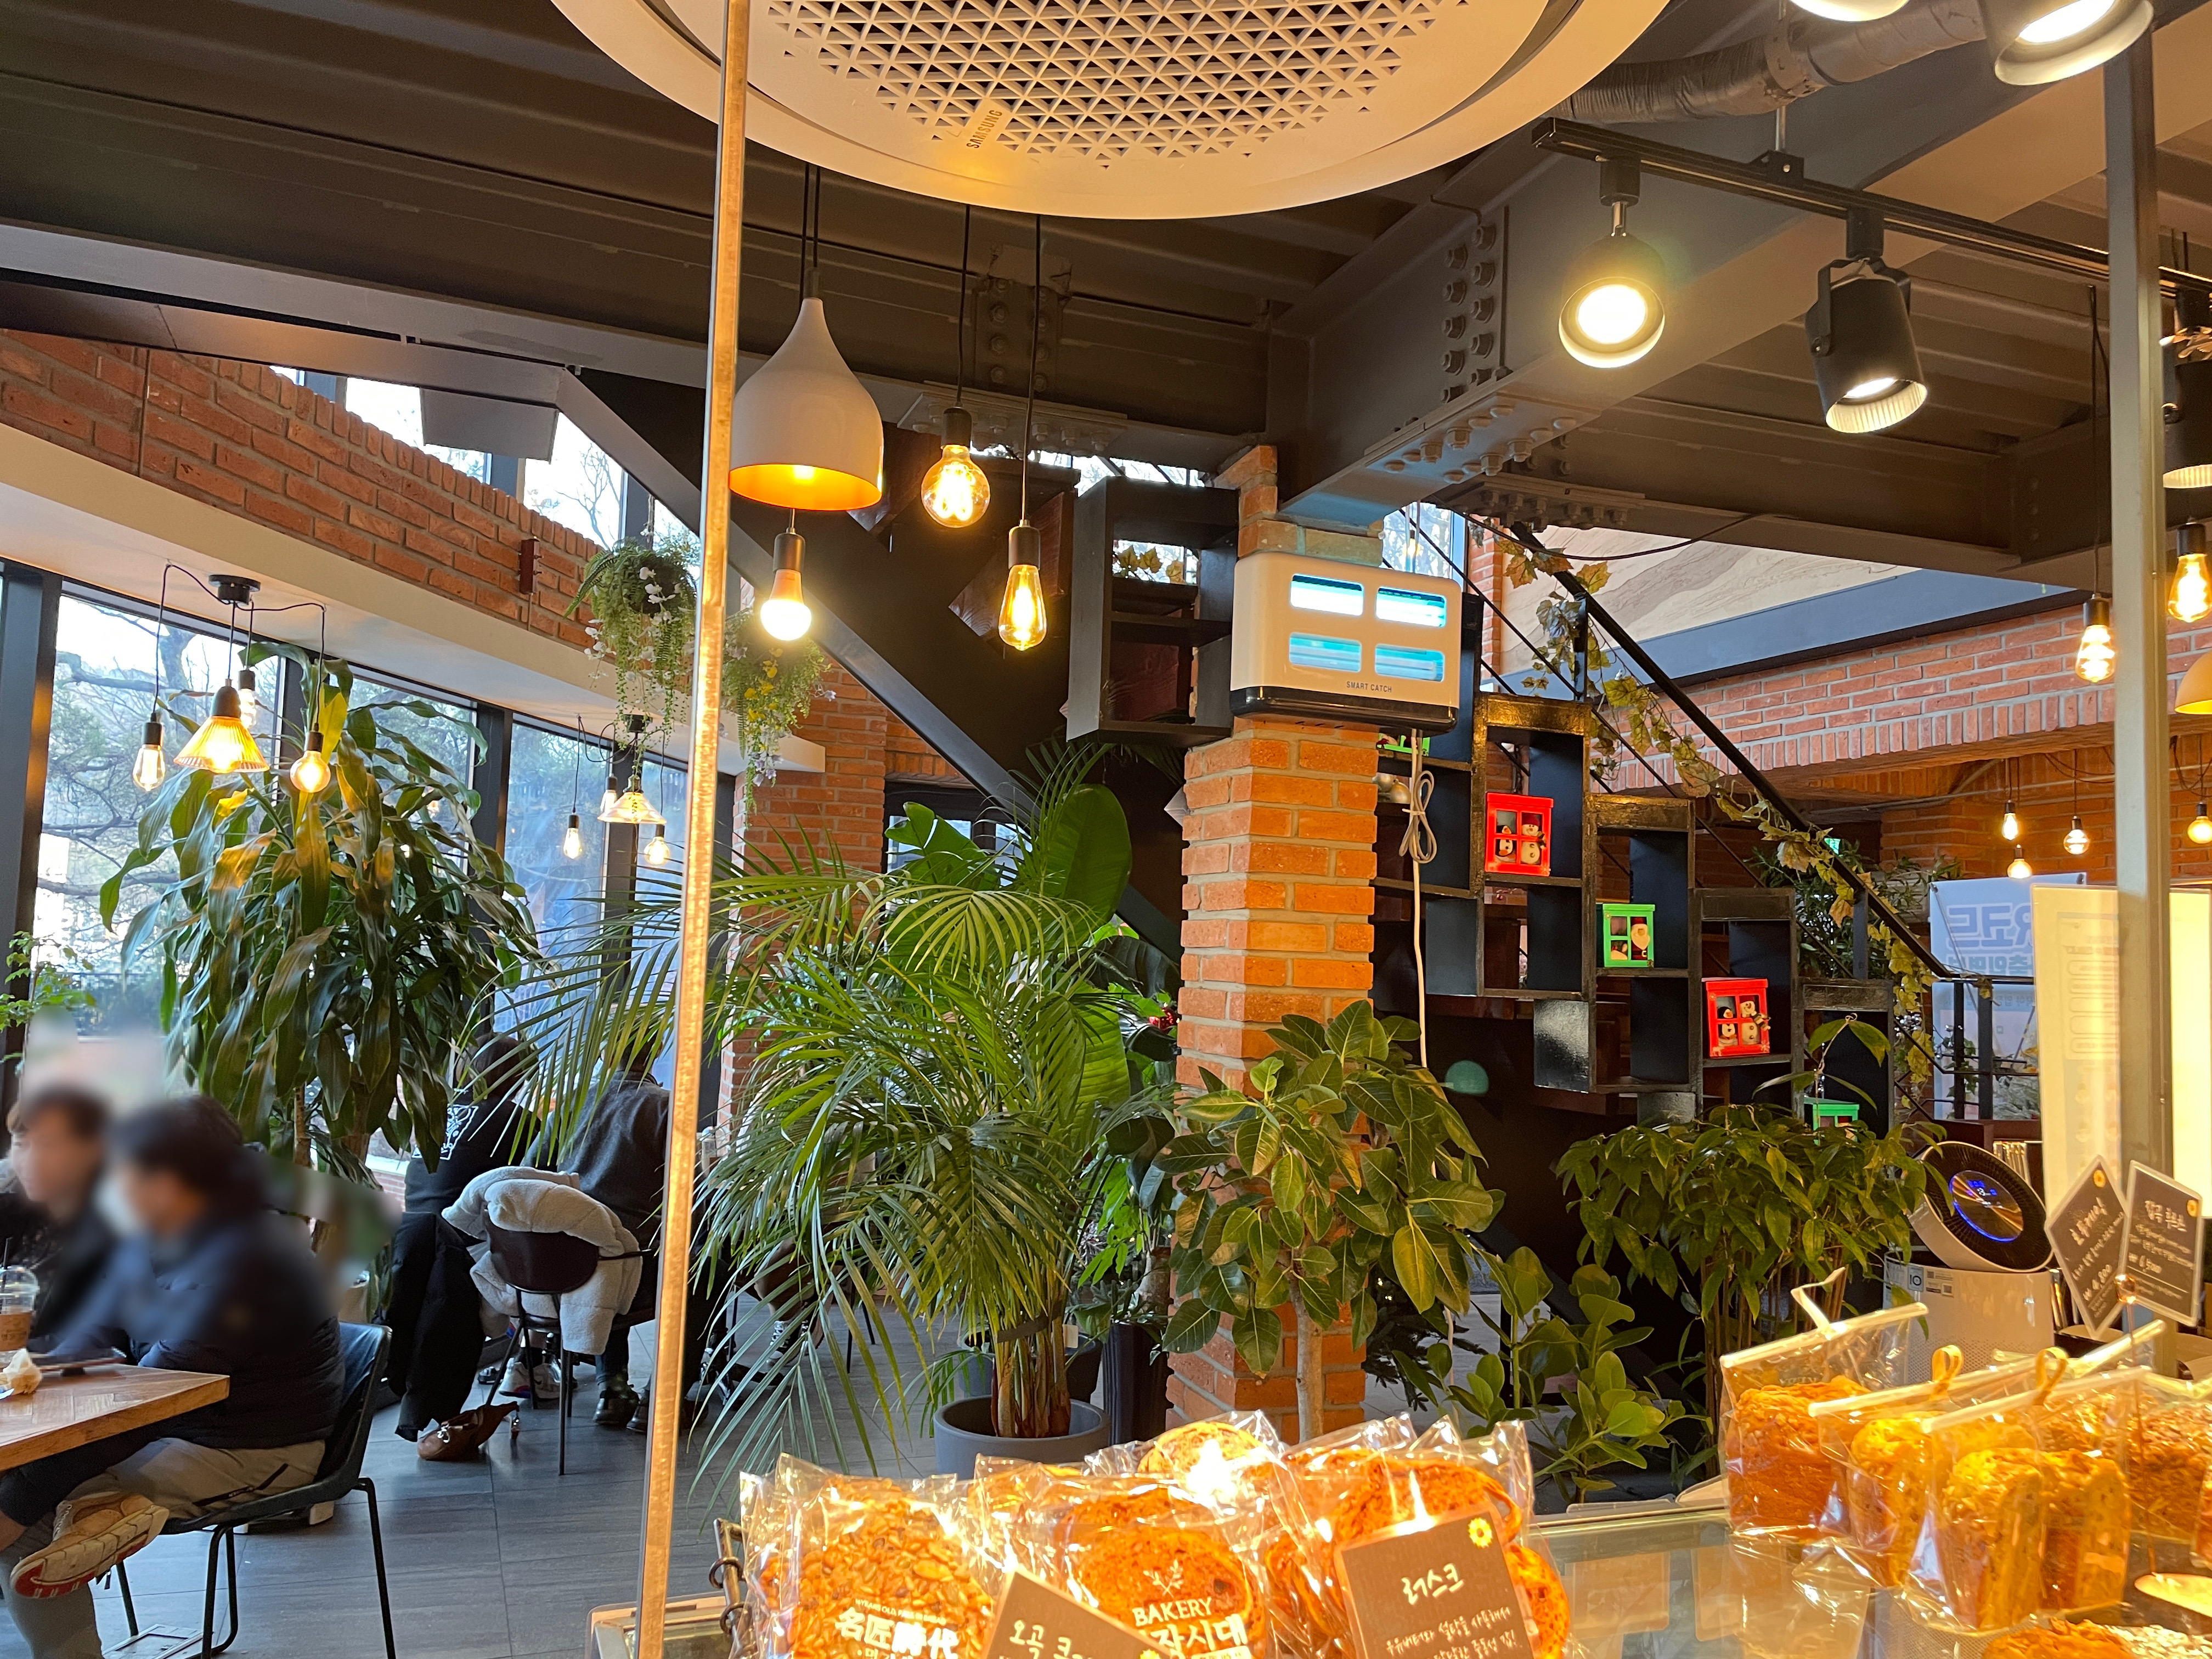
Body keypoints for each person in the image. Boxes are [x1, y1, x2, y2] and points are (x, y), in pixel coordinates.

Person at [0, 1097, 343, 1659]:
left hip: (254, 1446)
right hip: (174, 1425)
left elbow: (153, 1403)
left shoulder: (251, 1263)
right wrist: (34, 1371)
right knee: (24, 1483)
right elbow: (97, 1333)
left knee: (29, 1511)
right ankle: (92, 1518)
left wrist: (18, 1503)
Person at [386, 1035, 536, 1431]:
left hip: (414, 1239)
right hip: (461, 1249)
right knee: (551, 1245)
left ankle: (523, 1361)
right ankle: (530, 1363)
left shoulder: (438, 1114)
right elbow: (542, 1188)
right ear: (519, 1076)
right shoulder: (516, 1120)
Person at [544, 1041, 667, 1430]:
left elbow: (531, 1174)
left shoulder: (570, 1105)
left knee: (604, 1241)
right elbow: (693, 1190)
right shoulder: (663, 1107)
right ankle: (667, 1396)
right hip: (634, 1275)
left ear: (602, 1053)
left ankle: (613, 1387)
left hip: (559, 1272)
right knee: (702, 1269)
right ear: (657, 1050)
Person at [0, 1086, 114, 1341]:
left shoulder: (111, 1237)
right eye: (20, 1144)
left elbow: (94, 1340)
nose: (31, 1162)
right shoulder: (10, 1215)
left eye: (48, 1145)